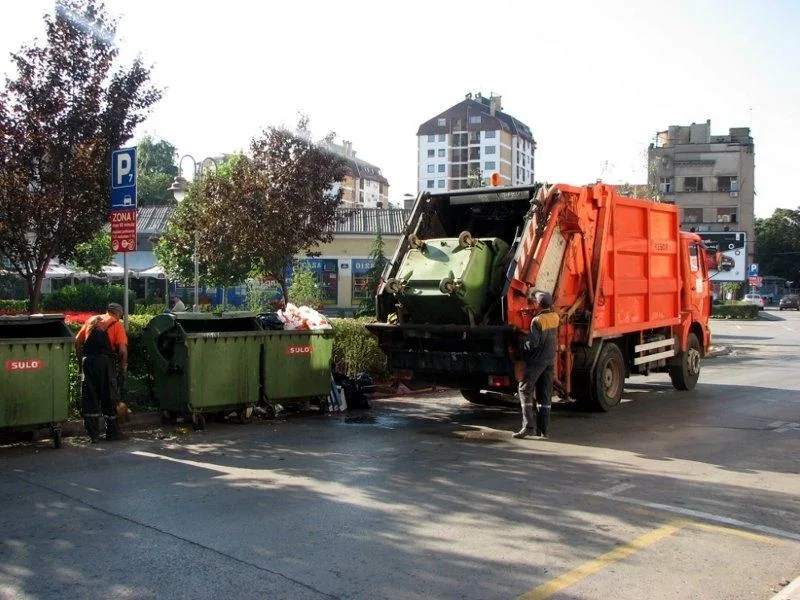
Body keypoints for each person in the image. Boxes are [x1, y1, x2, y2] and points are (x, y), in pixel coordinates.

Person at [75, 303, 129, 442]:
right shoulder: (116, 324)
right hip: (104, 363)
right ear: (118, 313)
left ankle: (93, 435)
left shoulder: (91, 320)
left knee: (90, 397)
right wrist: (122, 367)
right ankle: (112, 433)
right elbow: (123, 351)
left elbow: (77, 341)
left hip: (88, 362)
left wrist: (81, 362)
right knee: (109, 397)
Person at [513, 291, 559, 440]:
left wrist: (522, 345)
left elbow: (533, 343)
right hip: (549, 360)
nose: (533, 304)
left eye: (535, 302)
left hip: (537, 361)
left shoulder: (537, 321)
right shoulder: (555, 317)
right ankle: (543, 430)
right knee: (544, 395)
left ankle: (528, 427)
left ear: (539, 304)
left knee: (524, 389)